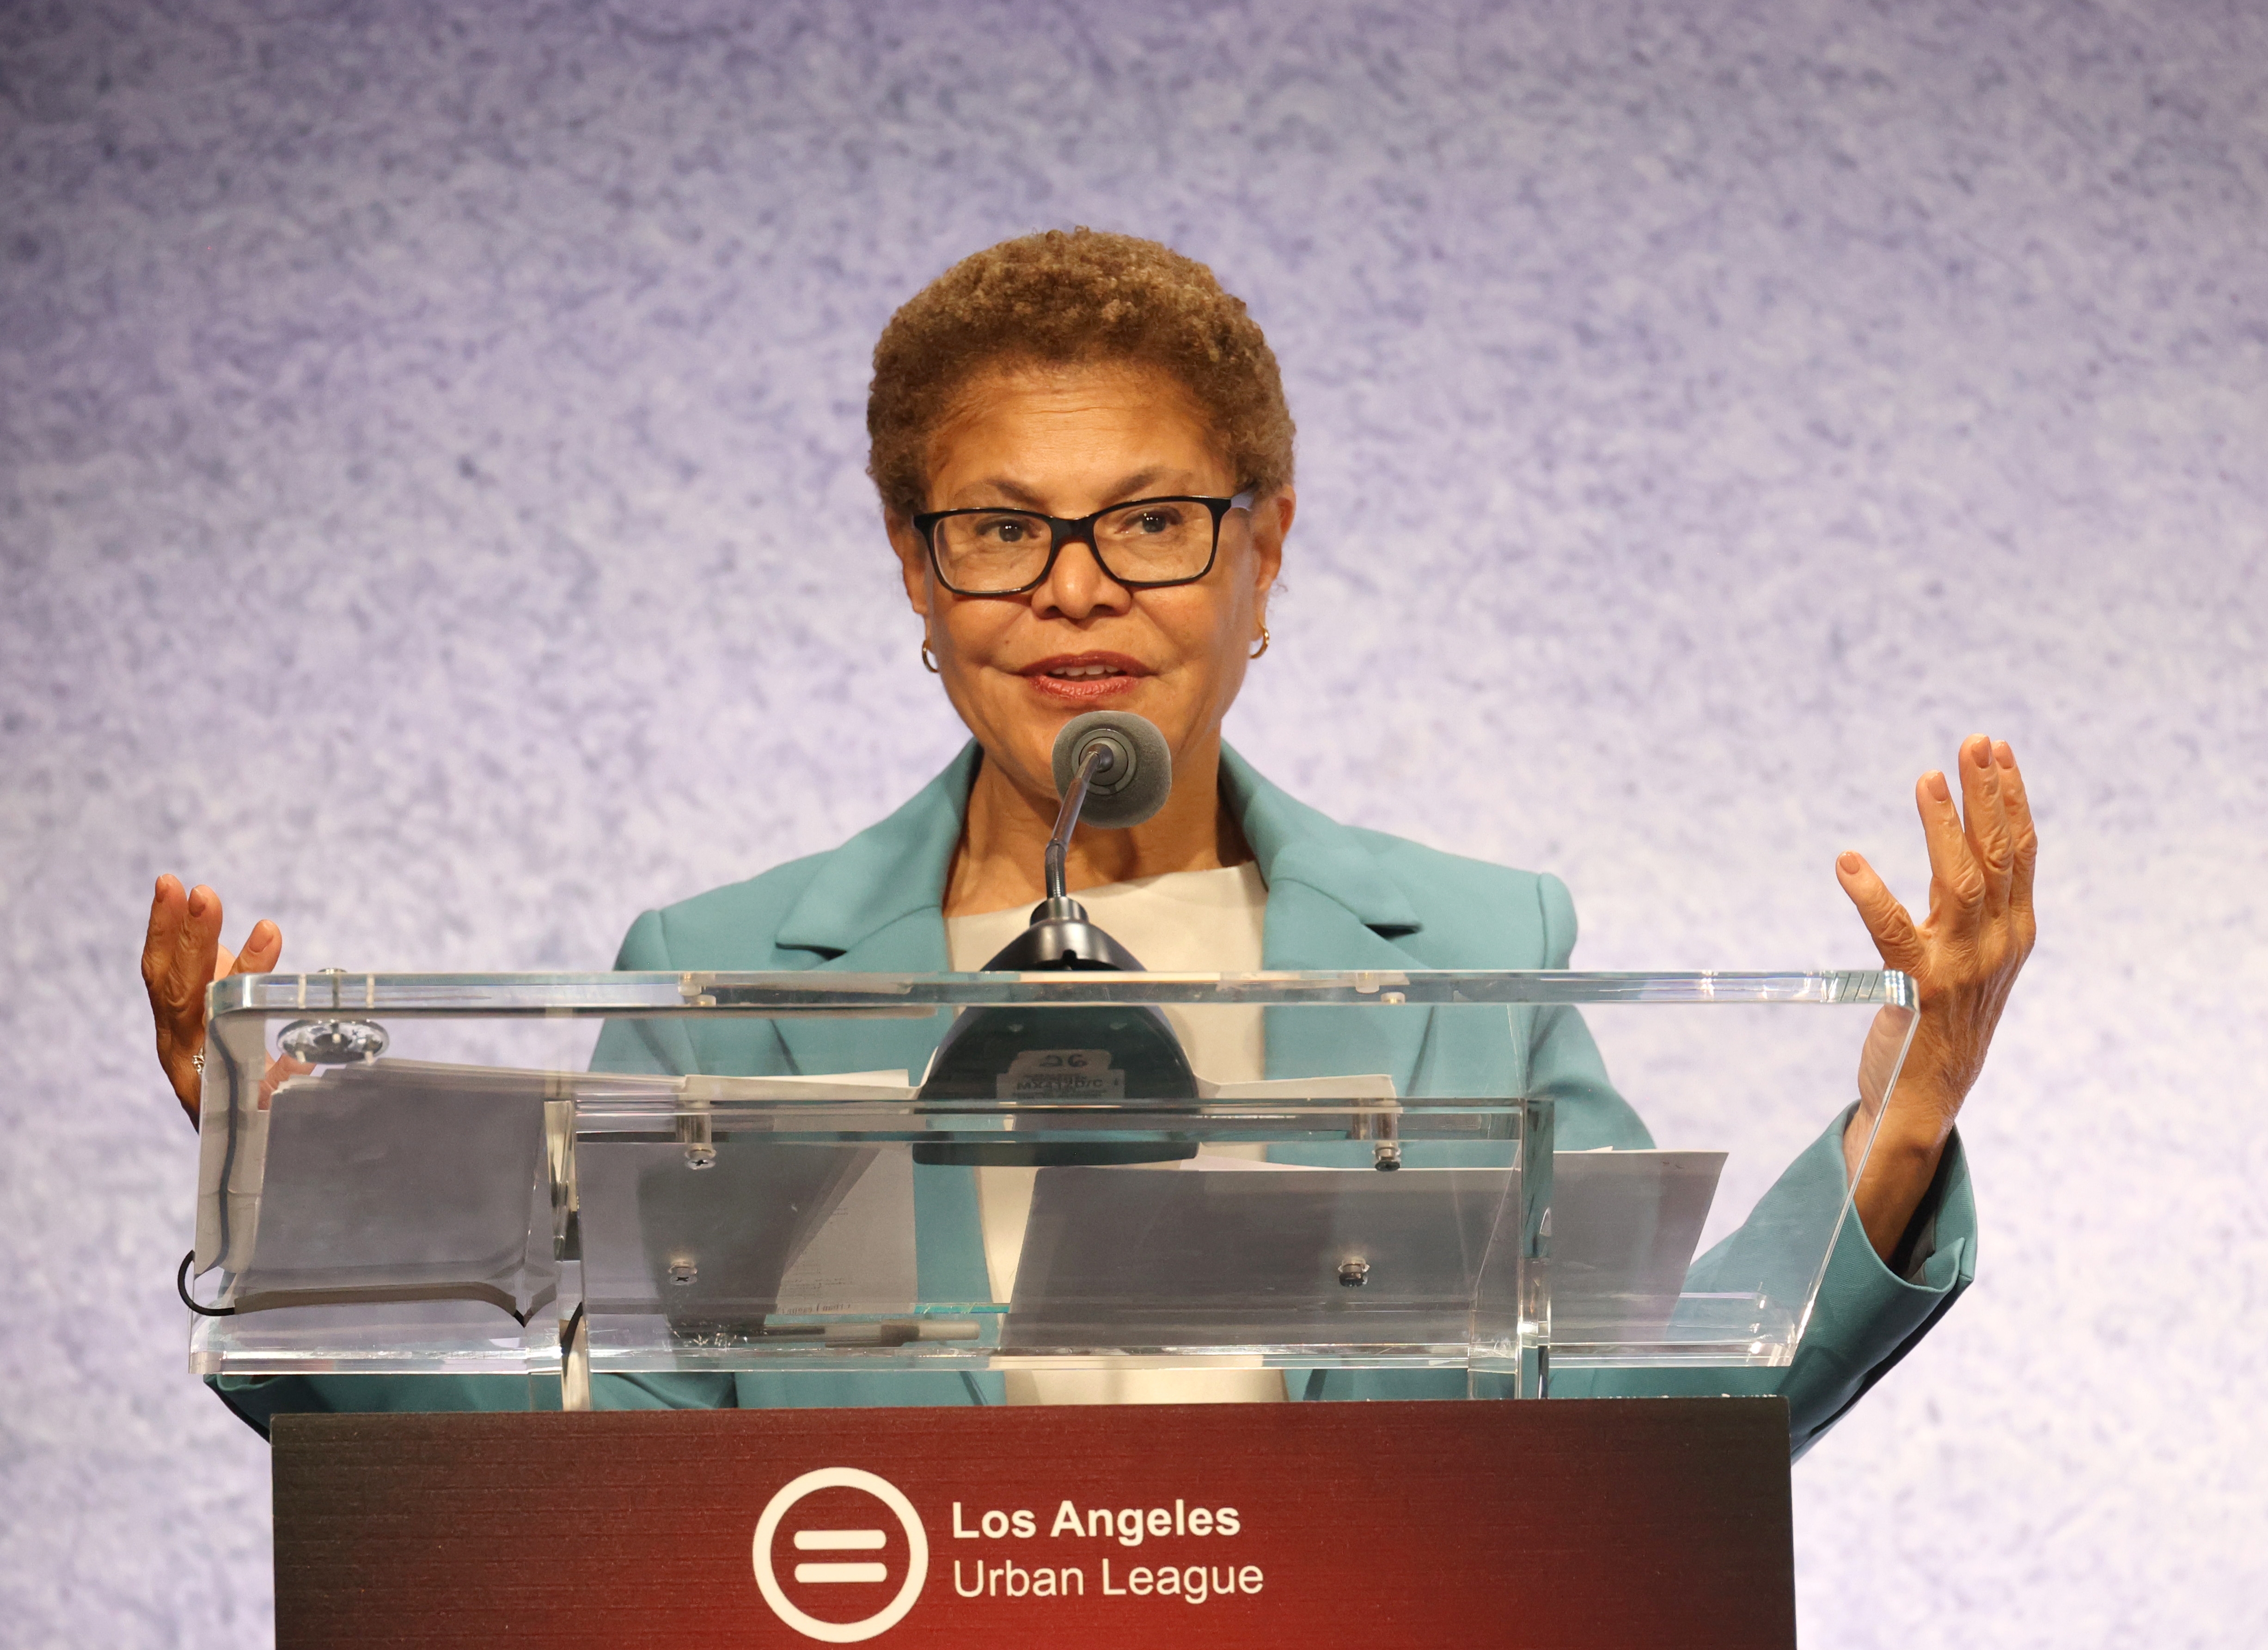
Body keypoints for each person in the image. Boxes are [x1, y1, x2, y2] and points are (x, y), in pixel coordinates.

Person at [141, 229, 2037, 1451]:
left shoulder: (1475, 947)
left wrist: (1907, 1117)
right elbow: (602, 1487)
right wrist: (297, 1208)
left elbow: (1643, 1440)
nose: (1074, 593)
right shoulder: (721, 978)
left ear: (1262, 550)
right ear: (918, 566)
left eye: (1150, 520)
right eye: (999, 525)